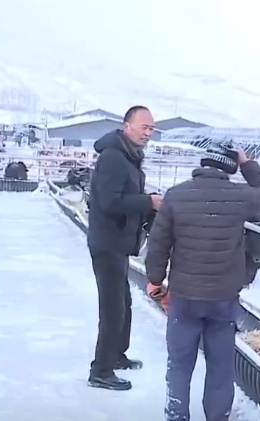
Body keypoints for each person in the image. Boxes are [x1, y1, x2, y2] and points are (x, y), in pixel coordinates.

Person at [144, 140, 260, 421]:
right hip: (223, 300)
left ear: (203, 164)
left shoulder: (176, 196)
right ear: (228, 168)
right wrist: (247, 164)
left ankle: (176, 415)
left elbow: (158, 245)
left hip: (184, 298)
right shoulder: (239, 196)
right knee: (220, 366)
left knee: (179, 364)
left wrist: (155, 281)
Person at [87, 105, 163, 391]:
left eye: (151, 128)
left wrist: (146, 203)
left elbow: (124, 197)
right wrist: (148, 202)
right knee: (112, 307)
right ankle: (101, 370)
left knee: (124, 304)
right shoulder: (113, 158)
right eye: (144, 127)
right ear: (126, 125)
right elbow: (109, 201)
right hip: (107, 242)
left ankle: (116, 355)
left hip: (118, 242)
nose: (148, 133)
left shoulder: (129, 157)